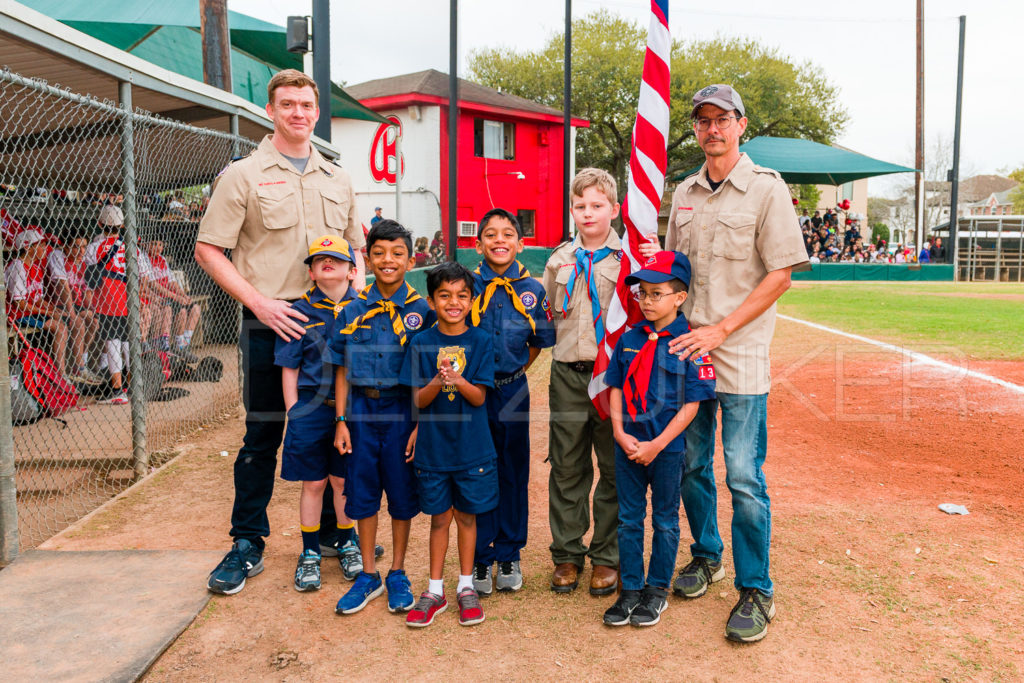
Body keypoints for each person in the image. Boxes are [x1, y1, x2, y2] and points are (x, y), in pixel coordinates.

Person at [195, 68, 367, 596]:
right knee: (266, 433)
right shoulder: (242, 175)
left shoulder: (336, 178)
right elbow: (208, 249)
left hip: (333, 324)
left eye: (306, 105)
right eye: (287, 104)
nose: (298, 113)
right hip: (273, 320)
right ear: (270, 111)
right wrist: (260, 303)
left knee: (343, 426)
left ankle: (338, 534)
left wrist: (356, 300)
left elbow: (355, 245)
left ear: (317, 113)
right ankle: (247, 541)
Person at [653, 83, 809, 642]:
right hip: (688, 356)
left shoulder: (767, 189)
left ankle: (756, 588)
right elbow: (672, 273)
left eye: (723, 119)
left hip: (739, 355)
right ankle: (706, 554)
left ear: (742, 125)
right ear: (695, 129)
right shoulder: (684, 192)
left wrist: (722, 327)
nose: (712, 129)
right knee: (693, 467)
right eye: (703, 121)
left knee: (743, 475)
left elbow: (782, 274)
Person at [602, 251, 716, 627]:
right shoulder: (629, 338)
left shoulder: (691, 342)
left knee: (665, 520)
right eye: (642, 294)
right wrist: (619, 432)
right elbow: (616, 387)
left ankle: (656, 592)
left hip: (666, 449)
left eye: (656, 294)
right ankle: (630, 590)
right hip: (629, 445)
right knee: (630, 519)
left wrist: (657, 444)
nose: (647, 301)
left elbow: (693, 406)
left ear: (679, 297)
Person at [331, 219, 434, 616]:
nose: (388, 261)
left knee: (401, 491)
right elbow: (340, 368)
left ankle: (397, 571)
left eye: (397, 253)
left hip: (402, 412)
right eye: (379, 254)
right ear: (367, 261)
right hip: (359, 411)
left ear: (410, 260)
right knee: (362, 489)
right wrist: (340, 420)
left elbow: (428, 373)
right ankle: (369, 574)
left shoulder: (423, 311)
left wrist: (419, 425)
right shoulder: (351, 309)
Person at [400, 262, 497, 627]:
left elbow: (478, 398)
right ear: (431, 301)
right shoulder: (421, 342)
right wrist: (439, 382)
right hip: (434, 448)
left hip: (472, 447)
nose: (453, 302)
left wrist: (457, 377)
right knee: (439, 518)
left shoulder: (481, 341)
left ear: (472, 301)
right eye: (444, 295)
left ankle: (467, 587)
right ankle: (435, 590)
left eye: (461, 295)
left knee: (467, 517)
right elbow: (418, 402)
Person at [542, 167, 621, 596]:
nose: (587, 213)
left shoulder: (629, 260)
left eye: (596, 206)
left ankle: (607, 556)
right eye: (580, 206)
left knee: (611, 467)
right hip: (568, 375)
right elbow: (547, 318)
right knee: (568, 465)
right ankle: (567, 553)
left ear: (614, 209)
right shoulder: (559, 260)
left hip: (611, 378)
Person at [469, 208, 555, 595]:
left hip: (512, 391)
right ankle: (480, 557)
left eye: (508, 234)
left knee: (513, 470)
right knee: (476, 469)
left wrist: (514, 373)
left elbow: (538, 343)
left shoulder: (533, 290)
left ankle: (509, 553)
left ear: (521, 244)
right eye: (490, 234)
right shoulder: (467, 286)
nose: (499, 240)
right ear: (479, 243)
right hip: (472, 393)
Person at [275, 236, 361, 592]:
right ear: (311, 271)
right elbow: (290, 367)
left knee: (343, 481)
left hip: (353, 408)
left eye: (336, 259)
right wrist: (294, 410)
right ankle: (310, 552)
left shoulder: (366, 307)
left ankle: (347, 543)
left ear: (352, 271)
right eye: (320, 260)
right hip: (311, 406)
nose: (327, 263)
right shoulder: (298, 311)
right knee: (314, 482)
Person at [5, 229, 73, 382]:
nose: (45, 248)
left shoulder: (35, 267)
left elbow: (38, 299)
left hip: (29, 312)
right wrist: (48, 312)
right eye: (40, 245)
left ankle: (60, 370)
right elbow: (21, 304)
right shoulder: (17, 267)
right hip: (16, 315)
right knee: (59, 327)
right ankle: (61, 374)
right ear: (28, 247)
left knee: (63, 320)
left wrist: (54, 310)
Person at [46, 235, 101, 382]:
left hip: (76, 304)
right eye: (76, 246)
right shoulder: (57, 256)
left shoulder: (84, 261)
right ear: (65, 246)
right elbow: (63, 287)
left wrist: (94, 310)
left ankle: (80, 364)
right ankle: (78, 368)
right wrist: (72, 315)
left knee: (93, 321)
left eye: (84, 246)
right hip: (57, 303)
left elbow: (87, 292)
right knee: (78, 323)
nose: (81, 251)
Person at [144, 239, 202, 359]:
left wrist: (183, 295)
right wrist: (176, 297)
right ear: (146, 244)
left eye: (160, 244)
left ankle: (184, 346)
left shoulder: (162, 259)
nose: (158, 247)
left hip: (169, 296)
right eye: (154, 244)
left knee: (196, 308)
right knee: (182, 312)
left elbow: (172, 282)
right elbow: (153, 284)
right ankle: (176, 346)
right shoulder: (145, 259)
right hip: (159, 297)